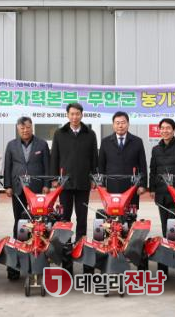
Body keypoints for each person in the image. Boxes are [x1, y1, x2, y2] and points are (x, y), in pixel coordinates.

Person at [4, 116, 50, 279]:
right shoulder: (11, 145)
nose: (25, 130)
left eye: (28, 127)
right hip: (18, 189)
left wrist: (47, 184)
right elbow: (8, 166)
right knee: (19, 222)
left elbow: (47, 165)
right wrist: (8, 185)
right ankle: (18, 258)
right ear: (18, 129)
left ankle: (38, 254)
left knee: (38, 222)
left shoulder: (42, 144)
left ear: (32, 127)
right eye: (22, 128)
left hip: (37, 189)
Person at [50, 103, 98, 244]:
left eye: (77, 114)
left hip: (83, 181)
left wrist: (94, 178)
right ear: (67, 115)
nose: (75, 117)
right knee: (64, 216)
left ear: (82, 115)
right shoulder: (59, 133)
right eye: (72, 114)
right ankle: (65, 245)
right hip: (65, 182)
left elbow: (94, 157)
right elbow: (54, 157)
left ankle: (80, 244)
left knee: (82, 216)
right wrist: (54, 178)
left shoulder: (90, 134)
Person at [149, 117, 175, 274]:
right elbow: (153, 171)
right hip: (161, 194)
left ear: (173, 130)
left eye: (168, 128)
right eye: (162, 128)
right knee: (165, 228)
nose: (165, 131)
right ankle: (167, 262)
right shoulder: (155, 149)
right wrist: (152, 189)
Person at [98, 111, 147, 207]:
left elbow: (142, 165)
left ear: (128, 124)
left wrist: (143, 185)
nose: (120, 126)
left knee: (131, 213)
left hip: (132, 186)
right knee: (113, 212)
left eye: (123, 123)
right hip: (112, 186)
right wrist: (102, 185)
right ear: (113, 125)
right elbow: (101, 165)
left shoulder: (137, 141)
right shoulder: (105, 142)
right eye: (117, 123)